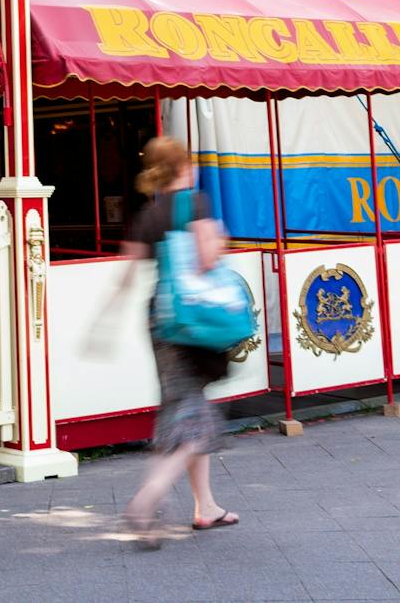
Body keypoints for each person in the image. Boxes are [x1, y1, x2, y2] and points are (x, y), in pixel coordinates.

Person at [114, 136, 238, 547]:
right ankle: (146, 499)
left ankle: (206, 506)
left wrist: (101, 324)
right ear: (185, 166)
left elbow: (128, 272)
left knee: (181, 408)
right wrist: (218, 238)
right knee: (197, 423)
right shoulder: (195, 203)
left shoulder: (148, 214)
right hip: (194, 322)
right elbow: (207, 259)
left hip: (161, 320)